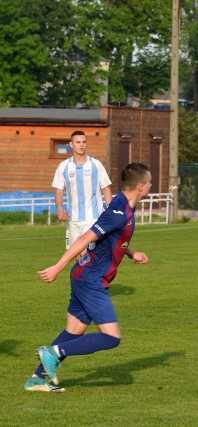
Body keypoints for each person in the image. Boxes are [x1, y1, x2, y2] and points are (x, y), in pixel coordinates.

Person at [24, 163, 152, 392]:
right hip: (91, 278)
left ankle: (36, 379)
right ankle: (52, 352)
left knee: (74, 330)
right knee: (111, 338)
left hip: (85, 274)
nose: (151, 186)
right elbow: (85, 238)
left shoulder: (122, 206)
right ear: (141, 187)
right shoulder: (119, 211)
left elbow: (111, 238)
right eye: (150, 183)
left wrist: (132, 252)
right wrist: (57, 266)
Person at [52, 130, 112, 257]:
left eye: (84, 142)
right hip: (73, 218)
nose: (81, 145)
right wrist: (59, 208)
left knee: (87, 253)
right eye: (78, 142)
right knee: (77, 255)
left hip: (93, 217)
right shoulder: (63, 166)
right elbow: (59, 190)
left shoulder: (96, 164)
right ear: (71, 144)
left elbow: (106, 188)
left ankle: (90, 276)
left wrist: (110, 210)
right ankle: (83, 277)